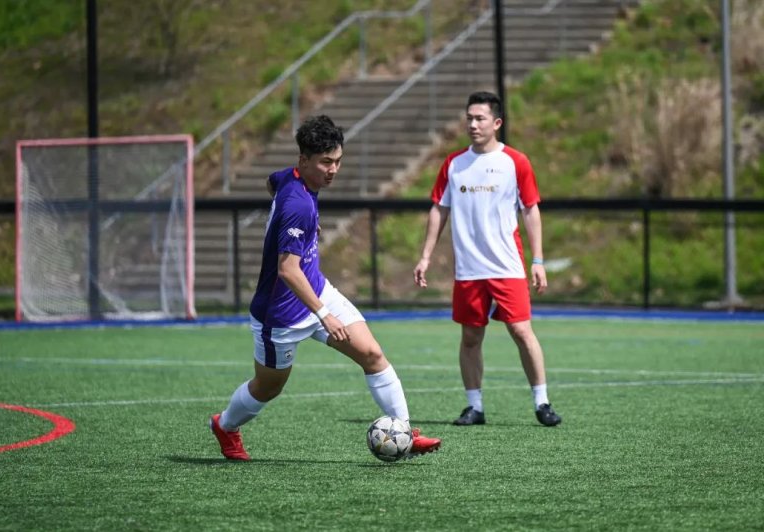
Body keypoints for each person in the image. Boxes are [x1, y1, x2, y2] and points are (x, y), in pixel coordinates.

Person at [210, 115, 442, 460]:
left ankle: (404, 433)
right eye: (325, 162)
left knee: (372, 355)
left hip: (317, 290)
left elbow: (271, 182)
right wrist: (324, 315)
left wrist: (302, 230)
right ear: (303, 160)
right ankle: (225, 425)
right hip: (279, 316)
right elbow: (287, 270)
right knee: (269, 387)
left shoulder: (291, 178)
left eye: (337, 161)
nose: (333, 170)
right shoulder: (298, 205)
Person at [413, 91, 562, 427]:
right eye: (469, 118)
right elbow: (439, 209)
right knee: (470, 338)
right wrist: (425, 256)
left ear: (497, 123)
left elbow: (531, 210)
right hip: (468, 269)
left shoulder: (516, 162)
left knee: (521, 330)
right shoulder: (454, 164)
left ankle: (542, 402)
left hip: (507, 266)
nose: (473, 124)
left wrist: (538, 260)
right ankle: (474, 407)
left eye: (479, 118)